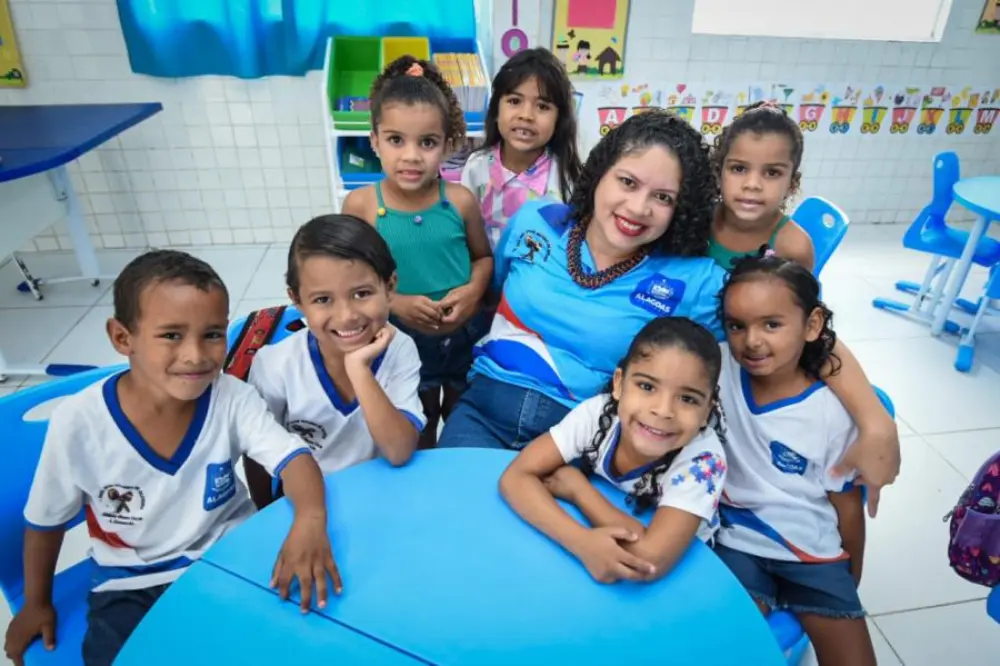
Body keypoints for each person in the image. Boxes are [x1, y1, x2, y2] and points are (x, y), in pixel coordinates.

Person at [438, 109, 899, 516]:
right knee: (448, 521)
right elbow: (490, 298)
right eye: (627, 182)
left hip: (587, 440)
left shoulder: (694, 280)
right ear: (600, 172)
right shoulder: (536, 221)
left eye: (663, 197)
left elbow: (792, 333)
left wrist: (876, 422)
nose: (638, 208)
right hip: (483, 412)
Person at [4, 251, 338, 666]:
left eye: (213, 334)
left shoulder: (231, 397)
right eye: (171, 335)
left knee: (297, 642)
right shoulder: (79, 421)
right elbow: (45, 520)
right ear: (122, 338)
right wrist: (37, 603)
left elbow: (294, 459)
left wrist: (309, 521)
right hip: (129, 582)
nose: (196, 355)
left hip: (230, 556)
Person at [714, 250, 876, 666]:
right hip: (736, 541)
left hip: (812, 553)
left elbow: (848, 509)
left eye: (772, 324)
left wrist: (849, 577)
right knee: (716, 648)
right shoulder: (716, 368)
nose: (751, 341)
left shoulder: (833, 414)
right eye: (737, 326)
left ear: (812, 325)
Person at [499, 318, 727, 584]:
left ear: (707, 411)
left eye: (688, 399)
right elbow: (515, 477)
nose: (663, 411)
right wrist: (580, 541)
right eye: (647, 386)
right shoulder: (598, 414)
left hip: (688, 573)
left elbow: (649, 560)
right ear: (619, 383)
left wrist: (579, 491)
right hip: (612, 529)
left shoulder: (703, 461)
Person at [342, 55, 493, 450]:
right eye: (396, 140)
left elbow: (483, 258)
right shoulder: (359, 206)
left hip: (465, 335)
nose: (411, 156)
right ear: (374, 140)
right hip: (402, 340)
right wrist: (396, 302)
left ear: (447, 144)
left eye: (427, 142)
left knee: (462, 421)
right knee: (417, 423)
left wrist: (473, 292)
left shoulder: (459, 201)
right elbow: (352, 283)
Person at [243, 215, 424, 506]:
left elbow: (399, 450)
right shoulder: (276, 364)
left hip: (383, 494)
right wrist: (264, 511)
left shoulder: (400, 349)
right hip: (307, 501)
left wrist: (359, 370)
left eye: (362, 293)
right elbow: (256, 454)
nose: (347, 316)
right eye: (323, 300)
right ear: (297, 300)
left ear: (390, 287)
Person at [461, 47, 583, 249]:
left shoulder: (567, 176)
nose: (526, 115)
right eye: (514, 101)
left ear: (558, 119)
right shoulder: (477, 167)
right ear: (496, 110)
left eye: (543, 106)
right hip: (485, 275)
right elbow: (463, 232)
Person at [709, 101, 815, 271]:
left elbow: (799, 297)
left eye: (772, 173)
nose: (752, 184)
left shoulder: (794, 248)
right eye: (739, 168)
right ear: (719, 173)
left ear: (791, 185)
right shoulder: (698, 222)